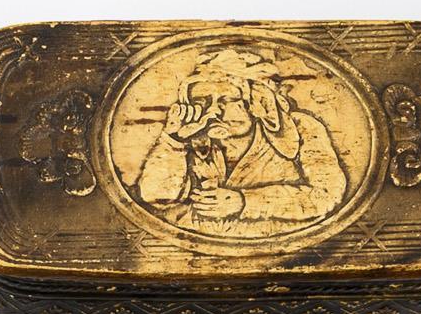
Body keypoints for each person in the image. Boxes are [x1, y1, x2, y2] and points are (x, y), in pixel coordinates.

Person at [132, 47, 348, 235]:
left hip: (277, 250)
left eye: (226, 100)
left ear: (258, 101)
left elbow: (327, 195)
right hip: (199, 253)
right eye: (202, 101)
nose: (214, 111)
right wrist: (173, 141)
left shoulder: (300, 128)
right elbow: (155, 197)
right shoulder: (193, 134)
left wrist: (244, 202)